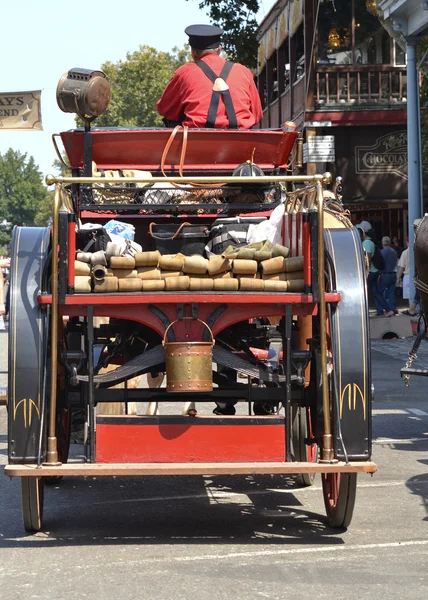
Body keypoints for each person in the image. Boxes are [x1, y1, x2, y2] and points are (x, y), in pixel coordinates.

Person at [157, 24, 263, 129]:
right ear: (219, 50)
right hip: (241, 141)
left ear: (193, 52)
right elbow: (257, 115)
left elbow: (164, 110)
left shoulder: (184, 73)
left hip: (197, 141)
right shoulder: (243, 72)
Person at [356, 221, 394, 318]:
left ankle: (360, 313)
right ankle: (389, 310)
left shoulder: (367, 243)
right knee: (376, 293)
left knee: (363, 292)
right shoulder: (369, 242)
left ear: (363, 232)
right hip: (373, 272)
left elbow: (367, 259)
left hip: (370, 272)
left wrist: (364, 272)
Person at [379, 236, 398, 313]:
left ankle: (381, 309)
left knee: (380, 292)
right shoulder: (394, 252)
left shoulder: (382, 252)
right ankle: (392, 308)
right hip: (393, 274)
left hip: (385, 274)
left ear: (382, 243)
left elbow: (380, 264)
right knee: (392, 293)